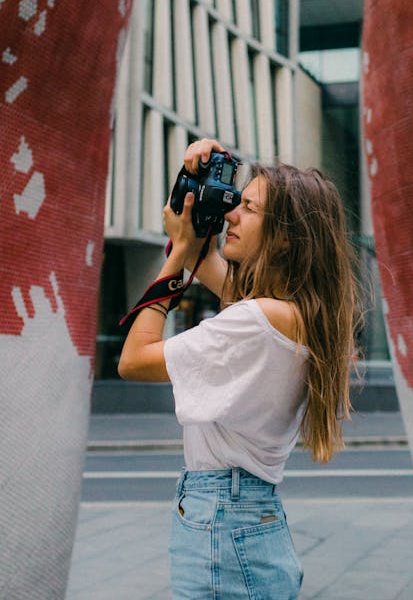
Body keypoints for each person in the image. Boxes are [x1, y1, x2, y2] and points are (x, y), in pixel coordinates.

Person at [118, 137, 361, 600]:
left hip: (223, 522)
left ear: (286, 235)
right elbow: (214, 272)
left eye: (248, 208)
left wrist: (177, 251)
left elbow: (133, 359)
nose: (232, 214)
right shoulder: (296, 314)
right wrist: (201, 192)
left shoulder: (259, 319)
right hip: (243, 519)